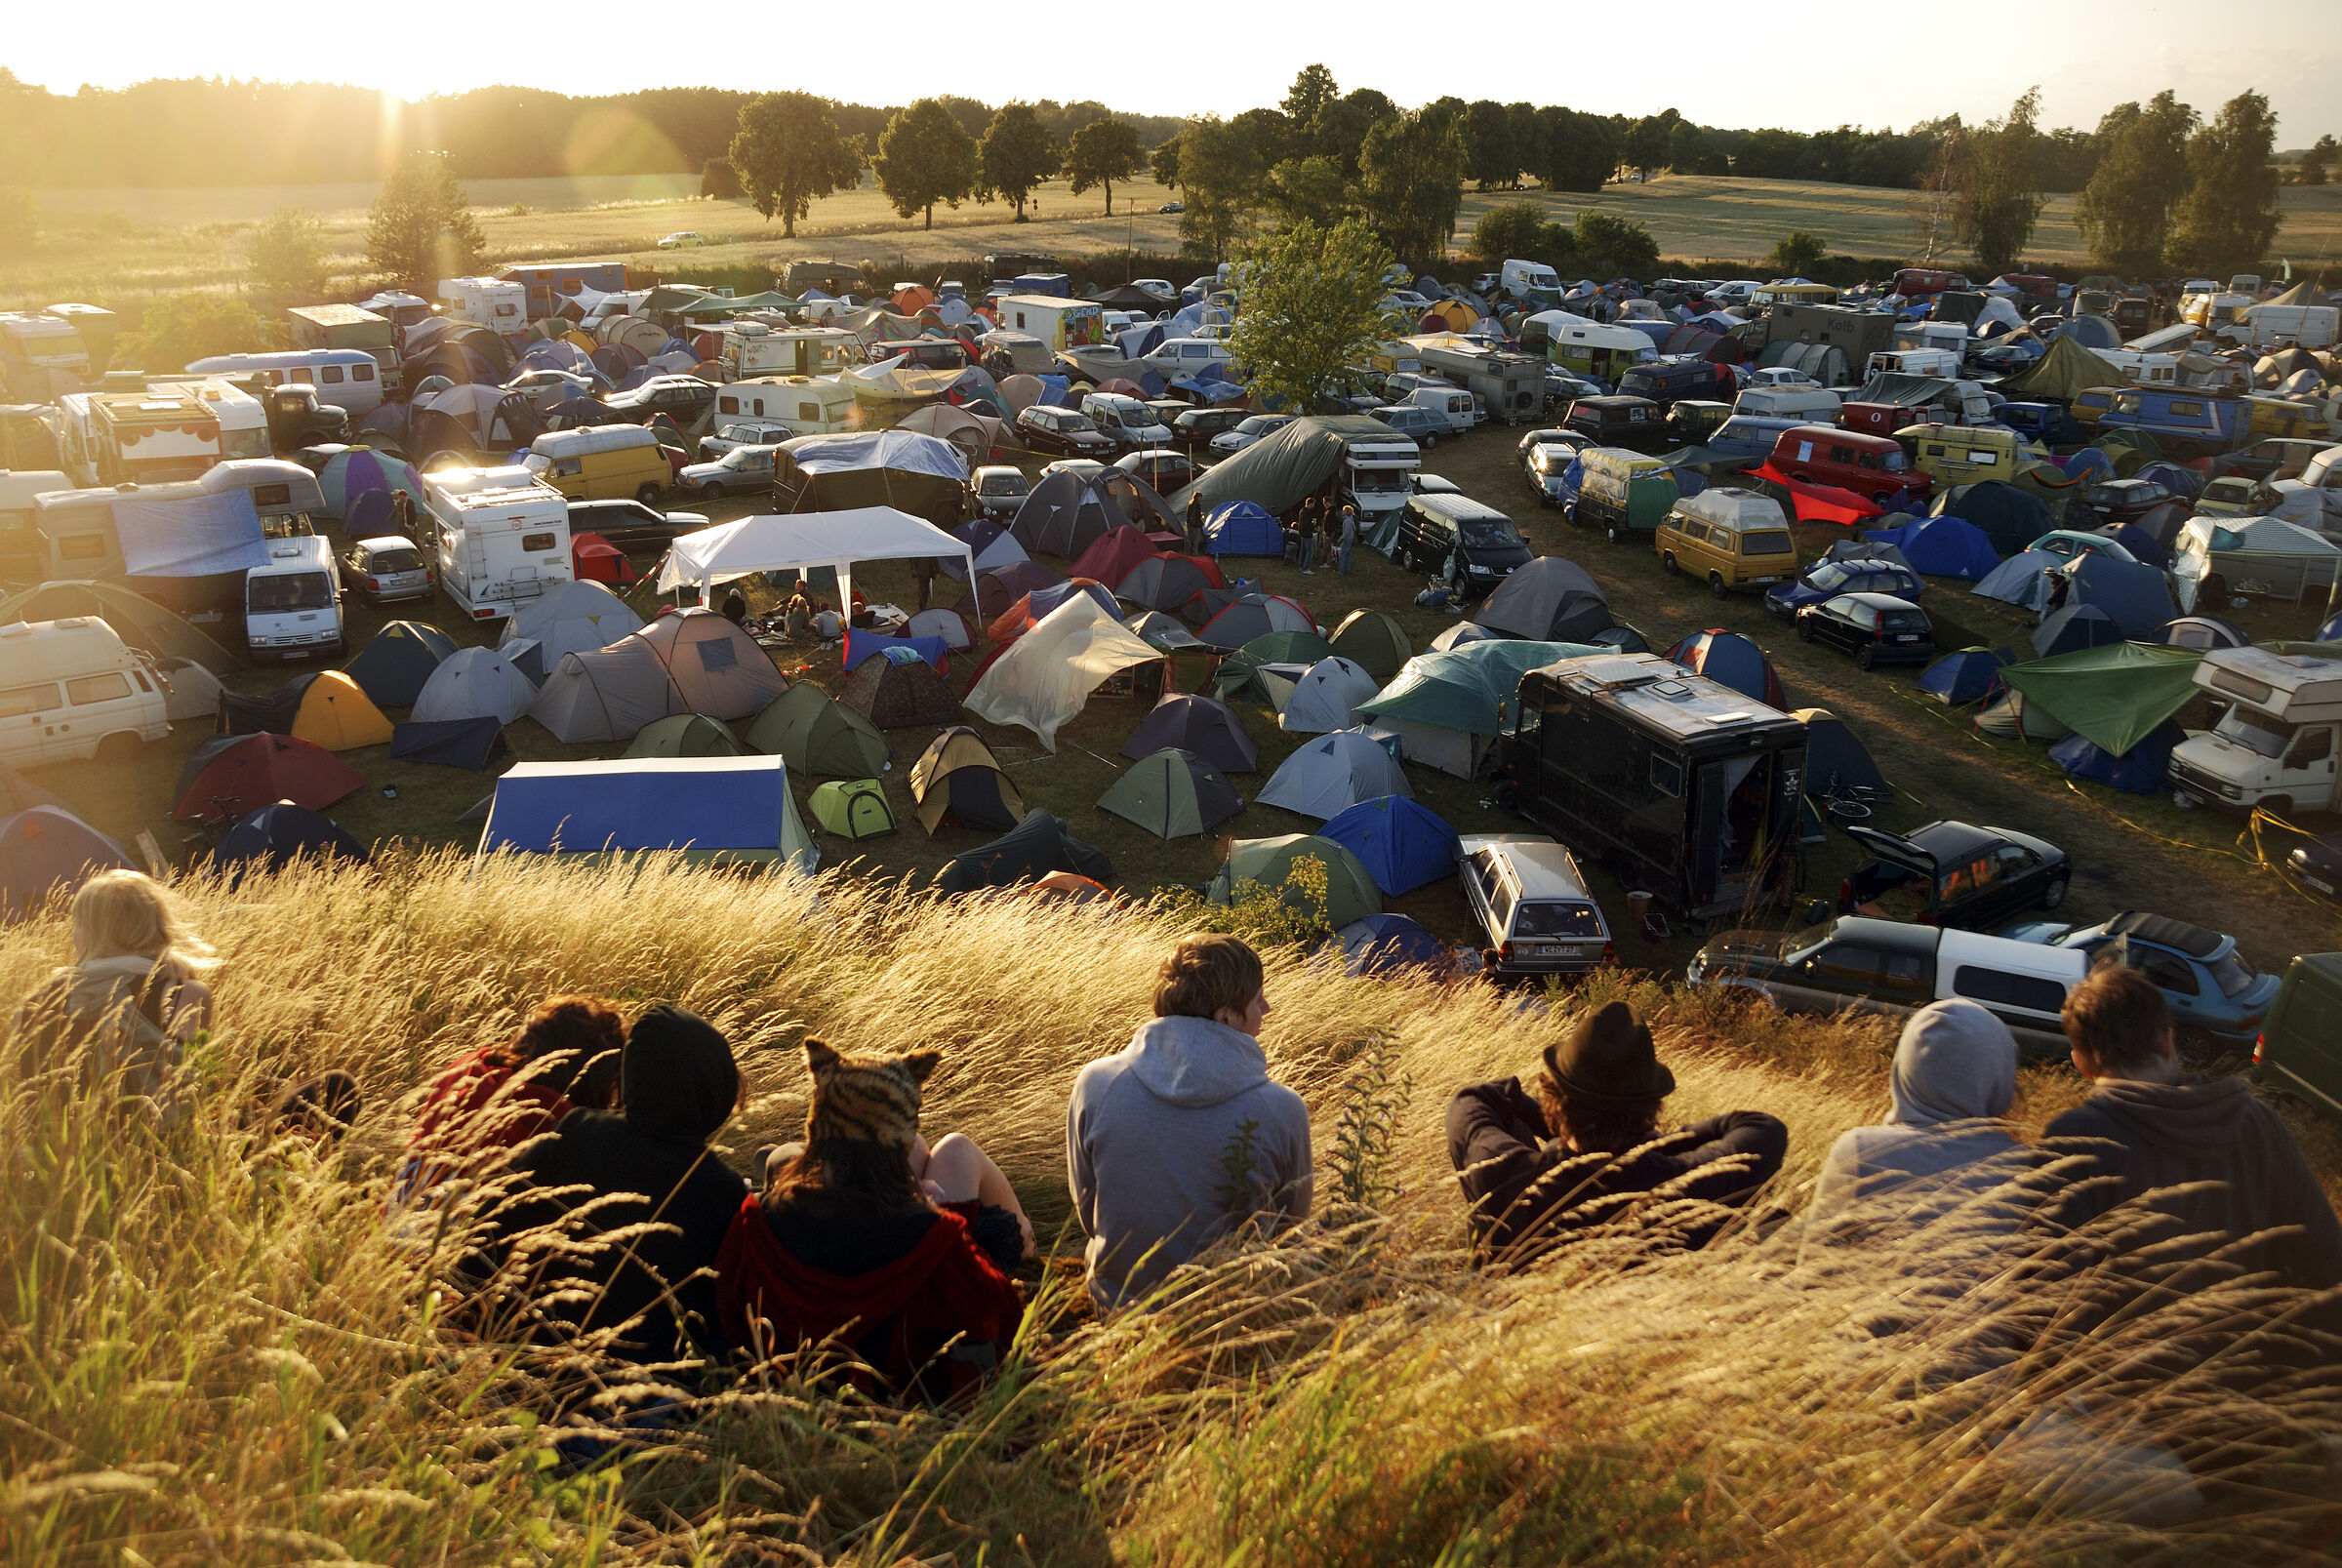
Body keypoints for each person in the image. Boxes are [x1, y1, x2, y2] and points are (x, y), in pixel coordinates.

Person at [716, 1040, 1026, 1398]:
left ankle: (779, 1161)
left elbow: (729, 1313)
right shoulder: (939, 1242)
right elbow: (998, 1319)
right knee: (957, 1151)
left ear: (816, 1121)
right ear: (903, 1135)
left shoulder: (757, 1219)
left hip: (785, 1398)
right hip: (908, 1407)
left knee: (782, 1160)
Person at [471, 1004, 751, 1365]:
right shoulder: (724, 1190)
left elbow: (487, 1232)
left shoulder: (578, 1130)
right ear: (717, 1092)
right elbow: (727, 1319)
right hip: (650, 1382)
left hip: (524, 1356)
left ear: (631, 1073)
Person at [2039, 964, 2342, 1291]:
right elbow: (2328, 1261)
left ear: (2081, 1063)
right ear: (2168, 1042)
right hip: (2251, 1324)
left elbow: (2046, 1289)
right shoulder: (2257, 1121)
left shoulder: (2073, 1142)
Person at [1067, 935, 1312, 1308]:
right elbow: (1289, 1230)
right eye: (1257, 999)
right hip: (1232, 1320)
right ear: (1225, 1017)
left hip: (1116, 1314)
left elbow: (1089, 1213)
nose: (1267, 1007)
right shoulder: (1282, 1108)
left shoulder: (1097, 1083)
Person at [1446, 1001, 1788, 1266]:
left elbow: (1476, 1098)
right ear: (1650, 1107)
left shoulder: (1503, 1175)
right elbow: (1763, 1127)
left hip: (1503, 1327)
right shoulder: (1690, 1188)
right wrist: (1658, 1145)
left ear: (1554, 1099)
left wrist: (1553, 1122)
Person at [1807, 1000, 2030, 1226]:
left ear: (1905, 1065)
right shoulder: (2029, 1166)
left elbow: (1815, 1245)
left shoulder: (1861, 1149)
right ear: (2001, 1075)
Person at [395, 996, 626, 1207]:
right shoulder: (554, 1126)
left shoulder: (468, 1072)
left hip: (391, 1224)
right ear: (596, 1077)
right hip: (458, 1238)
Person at [14, 869, 216, 1105]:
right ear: (155, 924)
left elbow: (29, 1090)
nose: (74, 933)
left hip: (60, 1125)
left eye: (78, 923)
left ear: (93, 933)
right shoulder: (187, 992)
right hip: (153, 1124)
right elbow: (192, 1082)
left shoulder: (41, 999)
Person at [1336, 504, 1358, 575]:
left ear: (1347, 512)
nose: (1342, 511)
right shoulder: (1351, 519)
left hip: (1347, 539)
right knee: (1348, 554)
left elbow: (1346, 532)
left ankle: (1341, 570)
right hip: (1350, 539)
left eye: (1344, 510)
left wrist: (1340, 538)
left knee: (1342, 555)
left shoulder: (1347, 520)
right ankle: (1347, 568)